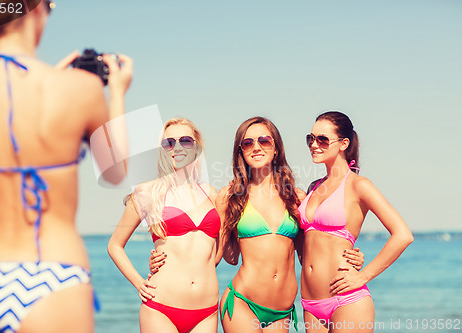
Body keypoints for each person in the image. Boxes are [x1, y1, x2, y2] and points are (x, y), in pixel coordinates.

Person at [0, 1, 133, 332]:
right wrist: (117, 93)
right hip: (53, 269)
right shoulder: (79, 89)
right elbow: (116, 171)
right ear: (36, 9)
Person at [149, 116, 364, 333]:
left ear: (276, 148)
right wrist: (167, 265)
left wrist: (347, 256)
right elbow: (218, 256)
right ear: (240, 151)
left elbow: (308, 253)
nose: (256, 147)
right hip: (242, 302)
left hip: (281, 311)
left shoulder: (297, 197)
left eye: (264, 141)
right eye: (247, 143)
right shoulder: (229, 196)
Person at [298, 111, 414, 332]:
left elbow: (403, 234)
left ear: (343, 143)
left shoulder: (358, 185)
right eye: (310, 138)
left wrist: (364, 275)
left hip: (347, 301)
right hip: (311, 305)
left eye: (322, 139)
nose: (314, 144)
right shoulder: (313, 187)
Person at [108, 118, 221, 333]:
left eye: (185, 141)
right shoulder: (149, 192)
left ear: (196, 147)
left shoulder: (211, 194)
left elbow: (215, 254)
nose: (177, 147)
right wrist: (139, 282)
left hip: (207, 311)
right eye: (169, 143)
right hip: (162, 308)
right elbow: (114, 245)